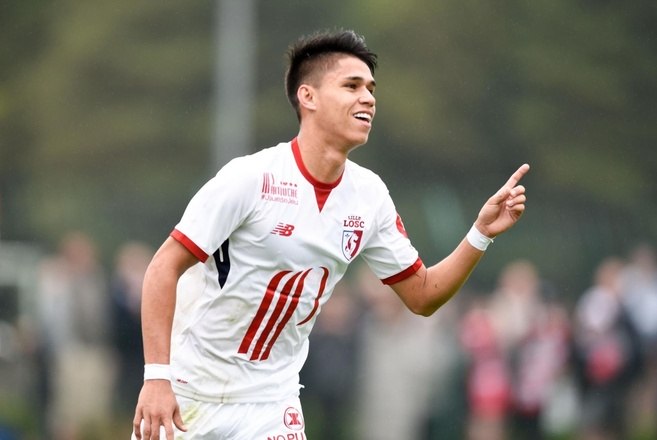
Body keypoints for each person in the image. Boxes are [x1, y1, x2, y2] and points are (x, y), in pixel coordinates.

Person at [132, 29, 530, 440]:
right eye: (351, 86)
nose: (369, 99)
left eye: (371, 89)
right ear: (308, 97)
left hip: (273, 403)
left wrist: (480, 233)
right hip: (190, 392)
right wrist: (157, 377)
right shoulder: (250, 178)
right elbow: (163, 268)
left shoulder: (369, 196)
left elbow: (423, 295)